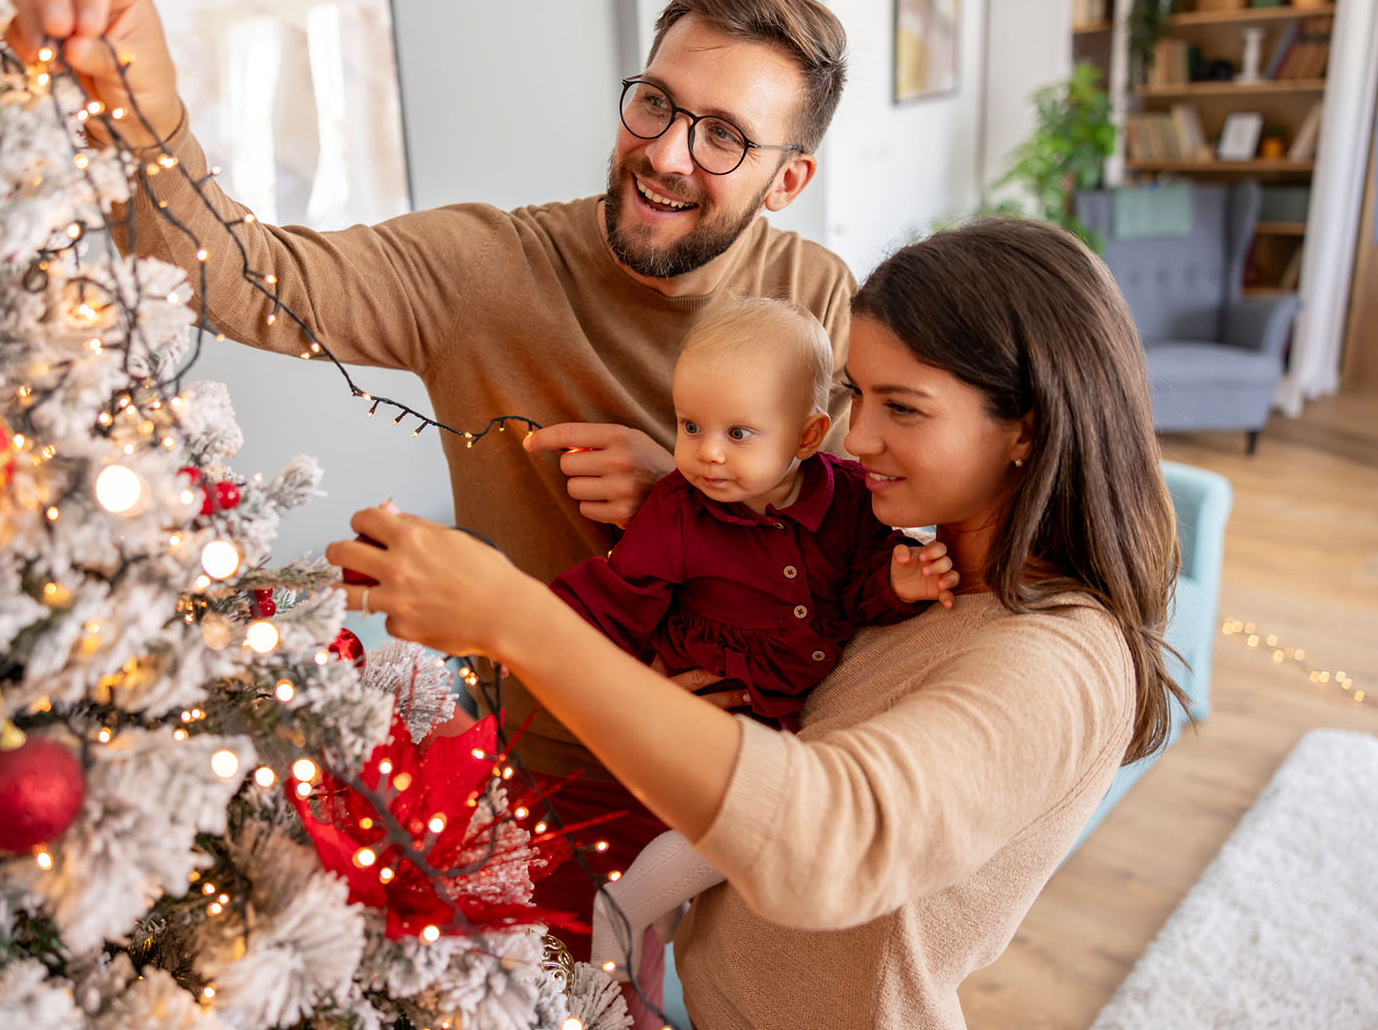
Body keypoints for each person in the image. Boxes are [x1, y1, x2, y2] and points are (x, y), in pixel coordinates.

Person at [9, 0, 854, 1008]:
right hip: (560, 779)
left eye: (723, 134)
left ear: (785, 181)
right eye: (655, 104)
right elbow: (234, 275)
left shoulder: (816, 298)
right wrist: (140, 90)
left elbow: (853, 531)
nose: (668, 153)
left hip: (755, 774)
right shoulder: (489, 268)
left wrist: (685, 490)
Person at [328, 218, 1192, 1028]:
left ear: (1026, 432)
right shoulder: (916, 561)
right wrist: (694, 504)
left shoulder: (1058, 661)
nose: (856, 443)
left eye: (905, 407)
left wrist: (512, 619)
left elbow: (833, 837)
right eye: (860, 396)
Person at [551, 295, 957, 733]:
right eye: (690, 426)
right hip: (711, 697)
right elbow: (615, 598)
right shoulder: (679, 510)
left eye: (738, 433)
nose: (707, 452)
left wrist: (898, 582)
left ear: (807, 436)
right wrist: (614, 684)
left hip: (811, 703)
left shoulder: (851, 496)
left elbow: (861, 583)